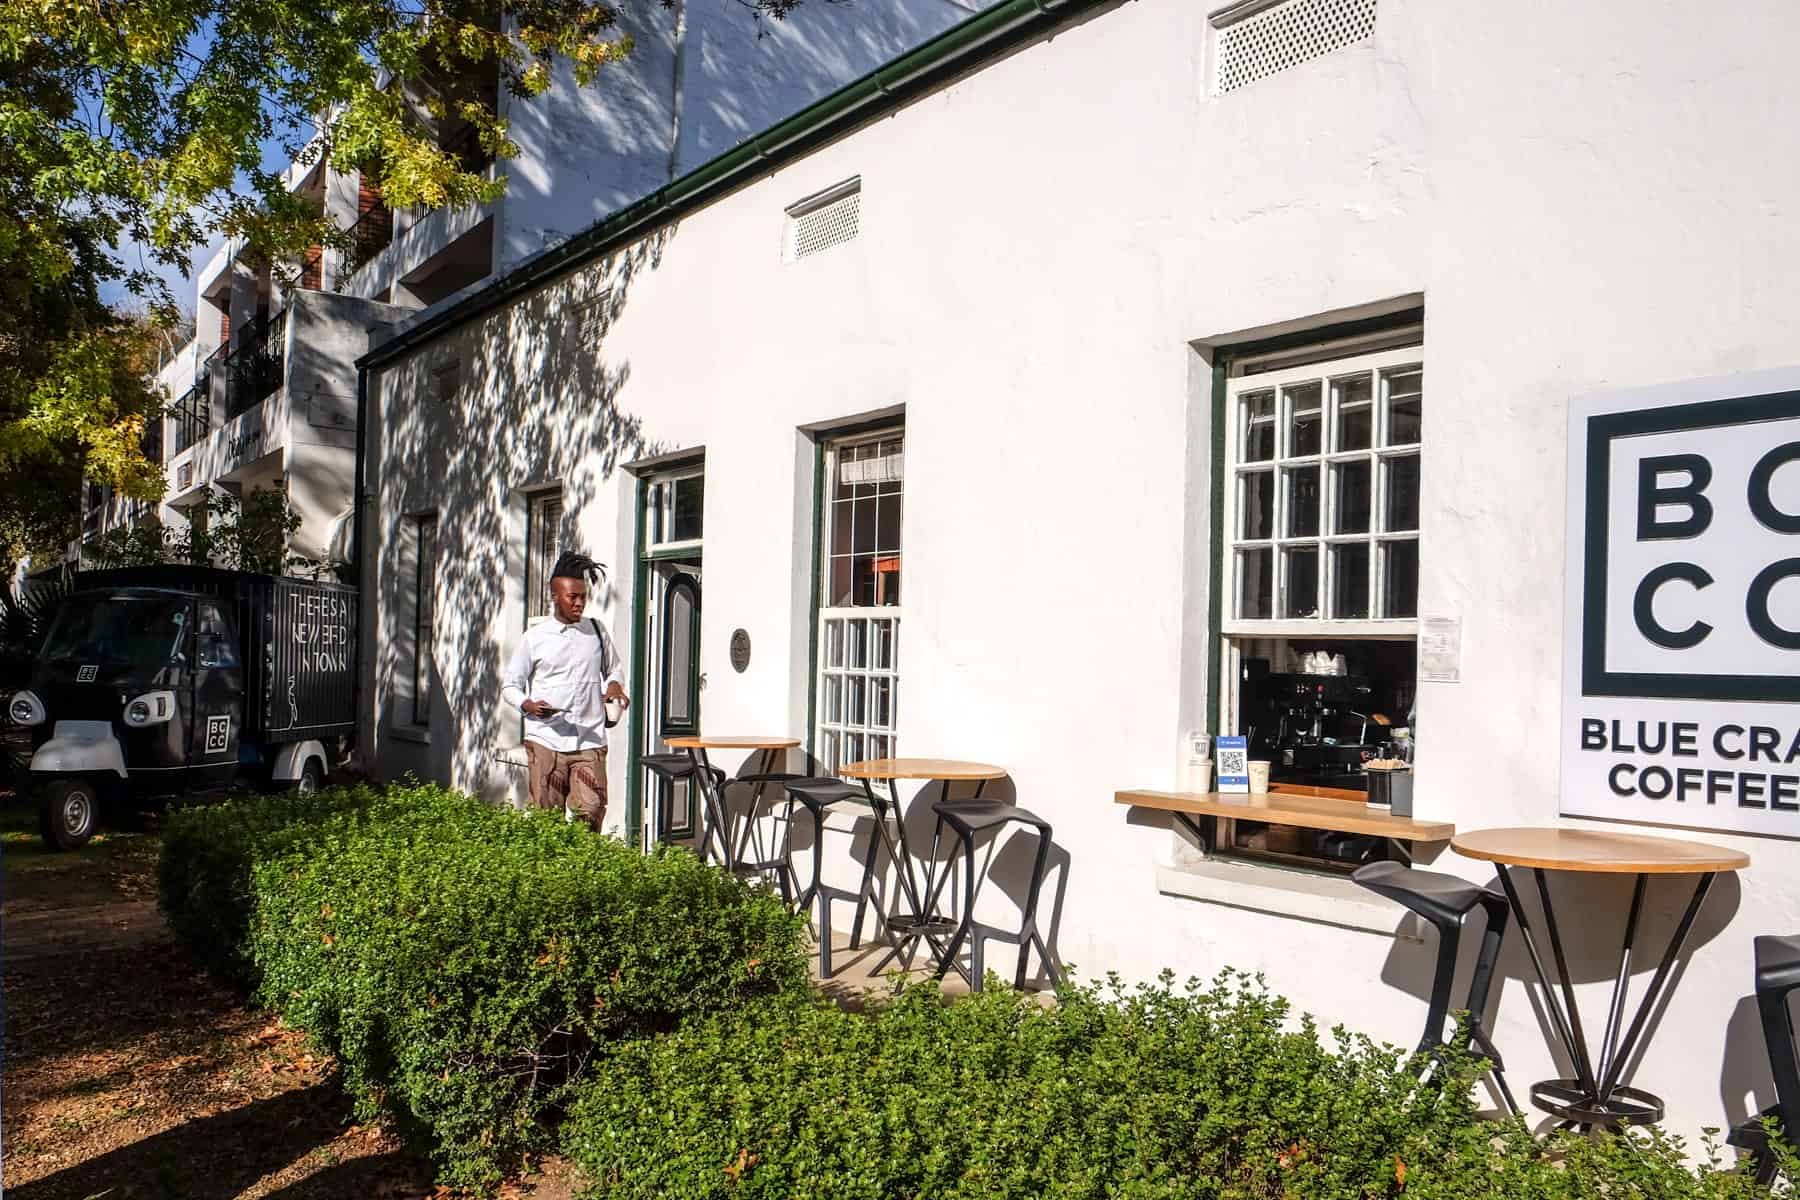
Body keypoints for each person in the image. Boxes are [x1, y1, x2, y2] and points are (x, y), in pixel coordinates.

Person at [500, 551, 629, 830]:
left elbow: (614, 670)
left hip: (589, 740)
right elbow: (510, 685)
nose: (580, 603)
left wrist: (615, 685)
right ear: (555, 596)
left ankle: (582, 872)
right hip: (547, 740)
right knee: (546, 822)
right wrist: (528, 706)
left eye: (583, 596)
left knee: (591, 814)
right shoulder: (535, 638)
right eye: (573, 597)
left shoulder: (596, 631)